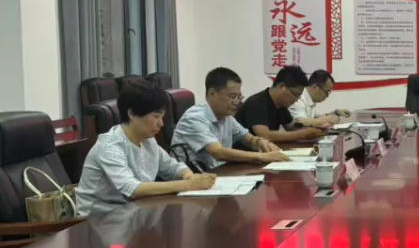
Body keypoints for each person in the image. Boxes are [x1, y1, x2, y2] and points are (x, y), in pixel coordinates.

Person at [76, 82, 216, 217]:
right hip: (99, 220)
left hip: (134, 212)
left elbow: (172, 167)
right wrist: (188, 185)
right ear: (132, 113)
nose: (161, 123)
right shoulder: (109, 146)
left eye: (162, 117)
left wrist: (189, 175)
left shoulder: (148, 140)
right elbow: (132, 189)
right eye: (156, 116)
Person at [171, 67, 288, 170]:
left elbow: (248, 139)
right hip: (193, 179)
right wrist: (261, 156)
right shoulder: (194, 118)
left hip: (218, 174)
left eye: (239, 97)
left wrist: (261, 143)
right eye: (232, 96)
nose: (237, 102)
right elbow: (218, 152)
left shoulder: (227, 117)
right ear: (212, 93)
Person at [236, 65, 328, 144]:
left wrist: (315, 129)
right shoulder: (257, 103)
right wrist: (303, 134)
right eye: (295, 95)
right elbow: (265, 136)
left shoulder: (281, 105)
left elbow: (292, 126)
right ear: (282, 87)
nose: (296, 100)